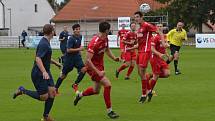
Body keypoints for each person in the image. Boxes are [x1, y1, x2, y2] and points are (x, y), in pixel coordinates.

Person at [13, 24, 61, 121]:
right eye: (54, 30)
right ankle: (22, 90)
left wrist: (55, 63)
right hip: (38, 73)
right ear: (51, 32)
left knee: (52, 92)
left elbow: (44, 57)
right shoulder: (44, 44)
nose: (54, 32)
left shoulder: (45, 42)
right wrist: (43, 71)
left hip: (46, 71)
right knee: (44, 97)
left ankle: (46, 116)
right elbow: (38, 58)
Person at [73, 21, 120, 119]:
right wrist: (98, 71)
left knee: (96, 90)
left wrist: (114, 58)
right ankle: (110, 111)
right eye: (109, 29)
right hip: (92, 68)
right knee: (108, 85)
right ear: (106, 30)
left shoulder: (105, 38)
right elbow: (87, 60)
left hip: (99, 67)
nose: (110, 31)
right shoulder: (94, 42)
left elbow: (107, 50)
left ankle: (80, 95)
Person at [131, 11, 163, 103]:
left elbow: (159, 31)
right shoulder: (139, 28)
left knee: (142, 72)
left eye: (137, 17)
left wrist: (163, 42)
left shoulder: (147, 25)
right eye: (135, 17)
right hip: (140, 51)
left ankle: (144, 94)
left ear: (142, 17)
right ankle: (149, 91)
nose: (136, 19)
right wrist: (135, 43)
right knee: (140, 73)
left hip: (146, 51)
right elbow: (140, 40)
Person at [55, 24, 86, 94]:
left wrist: (80, 52)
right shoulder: (71, 38)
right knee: (63, 75)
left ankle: (75, 84)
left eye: (78, 29)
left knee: (84, 69)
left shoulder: (80, 36)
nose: (78, 30)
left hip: (77, 58)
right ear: (73, 30)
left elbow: (78, 46)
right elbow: (68, 50)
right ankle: (55, 88)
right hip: (69, 59)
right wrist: (79, 49)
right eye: (76, 29)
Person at [147, 23, 170, 102]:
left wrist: (167, 54)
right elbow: (152, 49)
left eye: (161, 26)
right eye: (158, 26)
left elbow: (163, 47)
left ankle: (150, 75)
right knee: (156, 77)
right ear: (156, 28)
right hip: (155, 58)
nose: (160, 28)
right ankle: (149, 92)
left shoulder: (164, 36)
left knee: (167, 74)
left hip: (161, 59)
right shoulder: (155, 37)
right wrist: (159, 54)